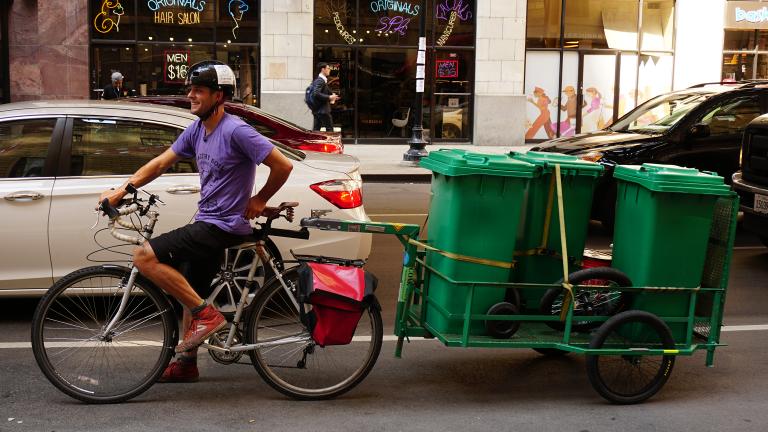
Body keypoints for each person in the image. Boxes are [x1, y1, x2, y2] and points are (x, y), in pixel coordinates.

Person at [99, 60, 293, 383]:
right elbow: (162, 162)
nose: (191, 95)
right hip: (208, 221)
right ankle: (187, 363)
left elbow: (283, 166)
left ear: (219, 96)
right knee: (189, 288)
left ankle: (207, 316)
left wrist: (259, 200)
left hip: (223, 226)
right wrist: (124, 189)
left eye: (198, 90)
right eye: (190, 89)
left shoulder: (236, 131)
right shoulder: (198, 130)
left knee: (143, 256)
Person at [310, 62, 339, 131]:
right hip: (323, 110)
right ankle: (330, 142)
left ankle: (314, 141)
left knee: (316, 130)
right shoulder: (320, 80)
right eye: (328, 68)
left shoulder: (322, 80)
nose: (330, 70)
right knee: (330, 130)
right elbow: (316, 93)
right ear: (323, 69)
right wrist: (329, 97)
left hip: (319, 110)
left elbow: (323, 92)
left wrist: (333, 95)